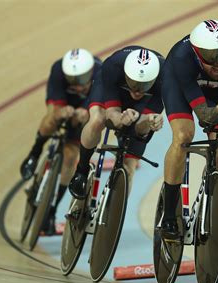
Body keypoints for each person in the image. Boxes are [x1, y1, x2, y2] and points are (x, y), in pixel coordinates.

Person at [160, 19, 218, 240]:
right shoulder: (182, 58)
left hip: (215, 93)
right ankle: (169, 214)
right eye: (212, 57)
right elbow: (204, 116)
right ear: (198, 53)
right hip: (181, 88)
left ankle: (206, 200)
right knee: (183, 137)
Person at [20, 48, 101, 234]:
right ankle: (34, 153)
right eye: (72, 80)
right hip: (65, 104)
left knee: (71, 157)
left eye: (81, 79)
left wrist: (86, 111)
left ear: (90, 72)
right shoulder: (58, 69)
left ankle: (52, 209)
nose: (77, 84)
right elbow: (52, 106)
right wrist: (61, 111)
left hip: (87, 107)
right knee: (51, 119)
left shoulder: (100, 73)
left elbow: (99, 107)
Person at [68, 46, 164, 199]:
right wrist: (121, 119)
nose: (137, 91)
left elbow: (141, 130)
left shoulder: (165, 79)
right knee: (98, 120)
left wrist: (149, 121)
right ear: (126, 73)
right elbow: (112, 114)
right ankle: (82, 170)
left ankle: (113, 214)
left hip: (145, 102)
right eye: (133, 83)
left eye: (143, 85)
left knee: (130, 166)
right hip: (114, 88)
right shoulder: (113, 66)